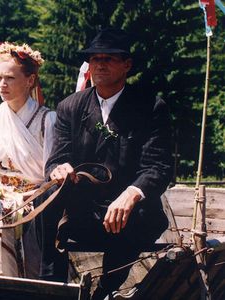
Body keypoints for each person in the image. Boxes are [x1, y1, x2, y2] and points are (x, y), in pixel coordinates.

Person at [37, 28, 173, 299]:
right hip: (84, 212)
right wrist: (60, 168)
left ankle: (107, 292)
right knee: (46, 196)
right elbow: (57, 157)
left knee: (138, 217)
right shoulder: (69, 107)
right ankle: (51, 287)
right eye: (94, 58)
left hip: (132, 214)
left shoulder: (151, 107)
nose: (99, 64)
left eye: (109, 58)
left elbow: (158, 167)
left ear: (127, 65)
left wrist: (132, 193)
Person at [0, 42, 56, 278]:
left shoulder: (48, 121)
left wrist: (28, 197)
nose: (2, 84)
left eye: (10, 78)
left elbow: (53, 172)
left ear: (30, 80)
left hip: (36, 201)